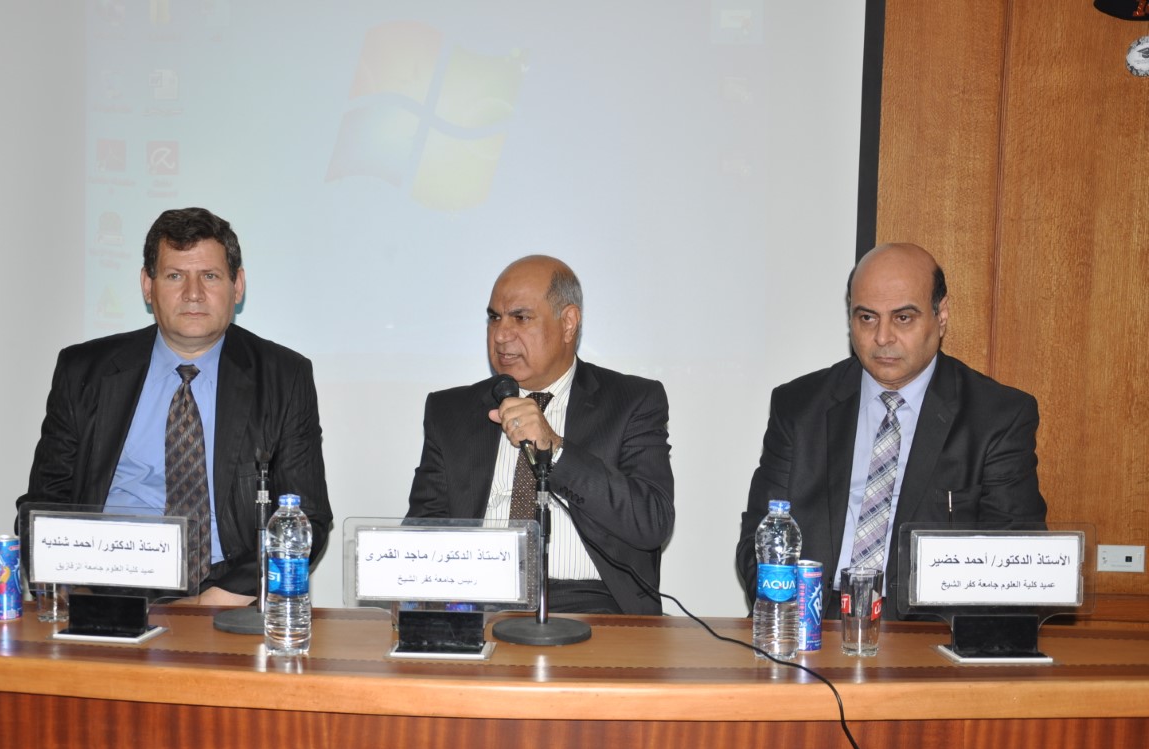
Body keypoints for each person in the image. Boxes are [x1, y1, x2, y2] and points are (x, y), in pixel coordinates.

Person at [18, 207, 332, 604]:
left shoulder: (283, 376)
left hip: (227, 591)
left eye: (210, 276)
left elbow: (308, 518)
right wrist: (72, 590)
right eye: (175, 276)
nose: (193, 294)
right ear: (147, 286)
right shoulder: (85, 371)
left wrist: (219, 600)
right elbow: (43, 504)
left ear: (237, 286)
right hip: (106, 585)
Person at [735, 242, 1046, 619]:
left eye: (903, 318)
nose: (882, 337)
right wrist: (799, 623)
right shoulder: (799, 406)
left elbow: (1013, 566)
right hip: (813, 621)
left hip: (931, 631)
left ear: (941, 315)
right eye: (867, 318)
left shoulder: (997, 417)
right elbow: (760, 540)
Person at [407, 255, 675, 614]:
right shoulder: (451, 411)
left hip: (592, 606)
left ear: (568, 323)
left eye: (520, 318)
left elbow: (652, 521)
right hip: (476, 605)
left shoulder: (631, 402)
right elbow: (424, 530)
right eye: (494, 318)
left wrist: (556, 449)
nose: (501, 335)